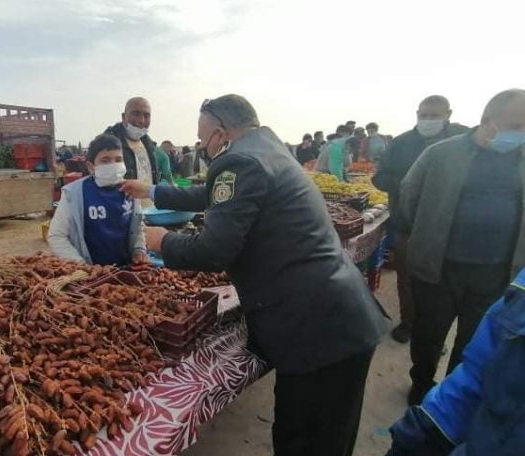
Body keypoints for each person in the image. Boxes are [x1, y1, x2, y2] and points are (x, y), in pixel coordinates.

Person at [122, 94, 388, 456]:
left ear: (221, 133)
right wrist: (153, 191)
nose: (202, 147)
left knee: (306, 441)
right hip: (338, 314)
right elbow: (215, 196)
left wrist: (163, 241)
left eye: (203, 139)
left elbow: (214, 251)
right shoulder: (267, 149)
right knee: (328, 436)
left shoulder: (239, 162)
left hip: (317, 331)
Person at [399, 89, 525, 405]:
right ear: (488, 121)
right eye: (517, 126)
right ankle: (421, 384)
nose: (521, 134)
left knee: (474, 341)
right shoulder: (442, 154)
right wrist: (428, 235)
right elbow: (409, 194)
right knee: (428, 333)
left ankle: (451, 395)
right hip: (440, 268)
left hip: (495, 273)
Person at [386, 269, 525, 456]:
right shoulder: (520, 298)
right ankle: (420, 384)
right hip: (445, 268)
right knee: (429, 333)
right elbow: (473, 377)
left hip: (491, 273)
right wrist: (420, 434)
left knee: (462, 341)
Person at [372, 96, 470, 345]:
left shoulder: (462, 140)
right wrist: (413, 183)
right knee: (407, 278)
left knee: (441, 282)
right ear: (417, 114)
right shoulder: (401, 143)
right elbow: (379, 178)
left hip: (450, 227)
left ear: (448, 114)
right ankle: (408, 323)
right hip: (408, 224)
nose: (428, 121)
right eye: (423, 115)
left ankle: (434, 334)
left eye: (434, 116)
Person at [48, 134, 146, 266]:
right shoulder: (74, 193)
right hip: (90, 271)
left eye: (118, 160)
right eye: (105, 160)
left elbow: (138, 226)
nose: (113, 165)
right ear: (91, 166)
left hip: (126, 269)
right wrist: (81, 266)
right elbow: (56, 235)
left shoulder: (130, 189)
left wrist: (139, 249)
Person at [104, 97, 159, 186]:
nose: (141, 120)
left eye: (146, 116)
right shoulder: (107, 144)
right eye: (136, 114)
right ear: (123, 116)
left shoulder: (149, 145)